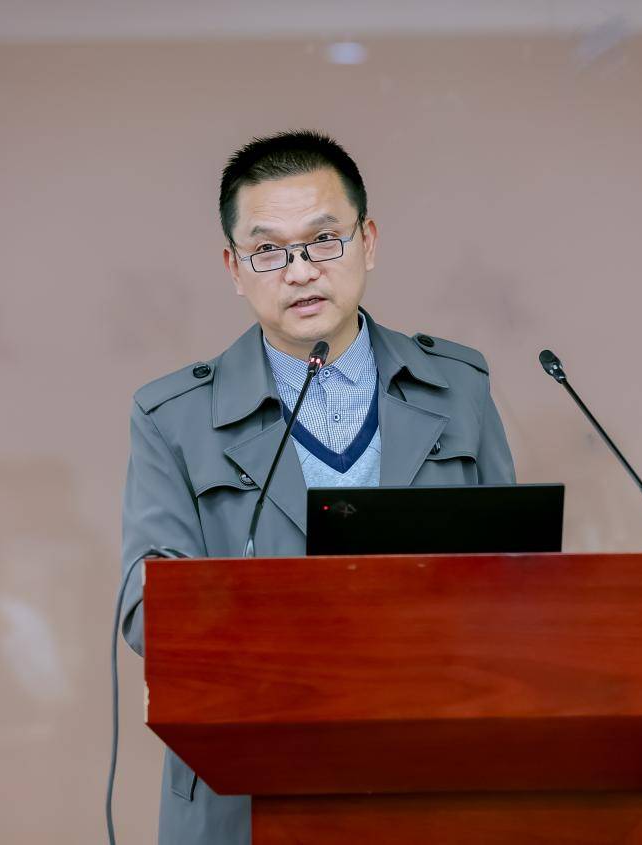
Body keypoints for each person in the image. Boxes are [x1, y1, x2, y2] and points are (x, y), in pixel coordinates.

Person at [119, 130, 516, 845]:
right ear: (234, 267)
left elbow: (518, 573)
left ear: (368, 241)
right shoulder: (172, 417)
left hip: (432, 767)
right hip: (249, 779)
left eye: (323, 240)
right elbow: (149, 609)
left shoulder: (459, 387)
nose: (300, 271)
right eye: (268, 250)